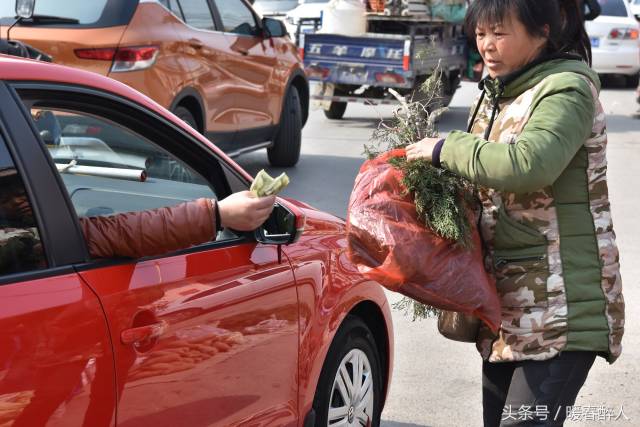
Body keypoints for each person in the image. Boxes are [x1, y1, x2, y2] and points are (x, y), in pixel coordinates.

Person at [405, 0, 624, 425]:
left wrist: (447, 147)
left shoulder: (566, 89)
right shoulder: (498, 92)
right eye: (482, 34)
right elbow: (481, 181)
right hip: (507, 308)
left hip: (562, 306)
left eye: (500, 33)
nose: (487, 45)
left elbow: (529, 164)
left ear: (542, 32)